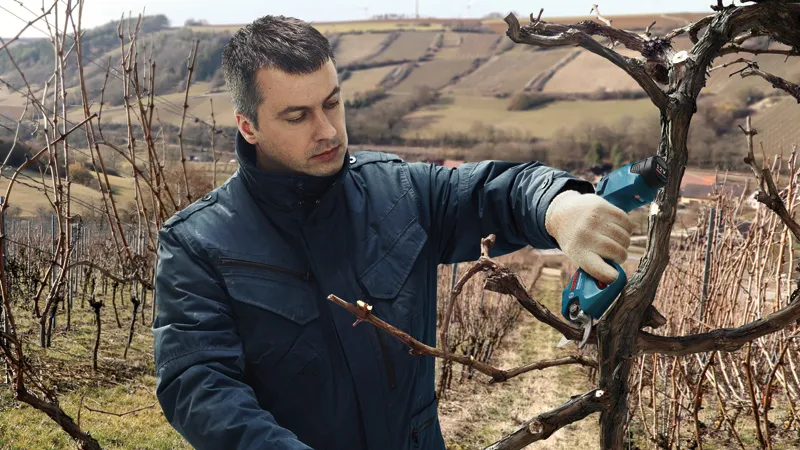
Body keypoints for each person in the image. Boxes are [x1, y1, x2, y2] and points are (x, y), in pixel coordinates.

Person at [152, 15, 634, 450]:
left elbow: (495, 191)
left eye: (332, 103)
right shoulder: (197, 244)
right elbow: (199, 387)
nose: (328, 131)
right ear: (248, 126)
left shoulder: (401, 193)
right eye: (297, 116)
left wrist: (558, 205)